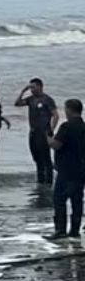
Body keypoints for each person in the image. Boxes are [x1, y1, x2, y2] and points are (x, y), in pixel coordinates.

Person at [48, 98, 85, 240]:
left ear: (69, 110)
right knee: (77, 200)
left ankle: (60, 230)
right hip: (81, 170)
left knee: (59, 199)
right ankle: (75, 230)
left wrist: (48, 138)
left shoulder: (66, 127)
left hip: (66, 170)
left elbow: (57, 145)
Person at [15, 79, 59, 185]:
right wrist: (23, 91)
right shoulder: (31, 99)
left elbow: (56, 115)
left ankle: (49, 181)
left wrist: (51, 129)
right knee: (36, 157)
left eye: (33, 87)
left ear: (40, 86)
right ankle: (40, 180)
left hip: (43, 132)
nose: (31, 90)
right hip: (33, 132)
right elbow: (17, 103)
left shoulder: (47, 99)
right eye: (30, 88)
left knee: (46, 158)